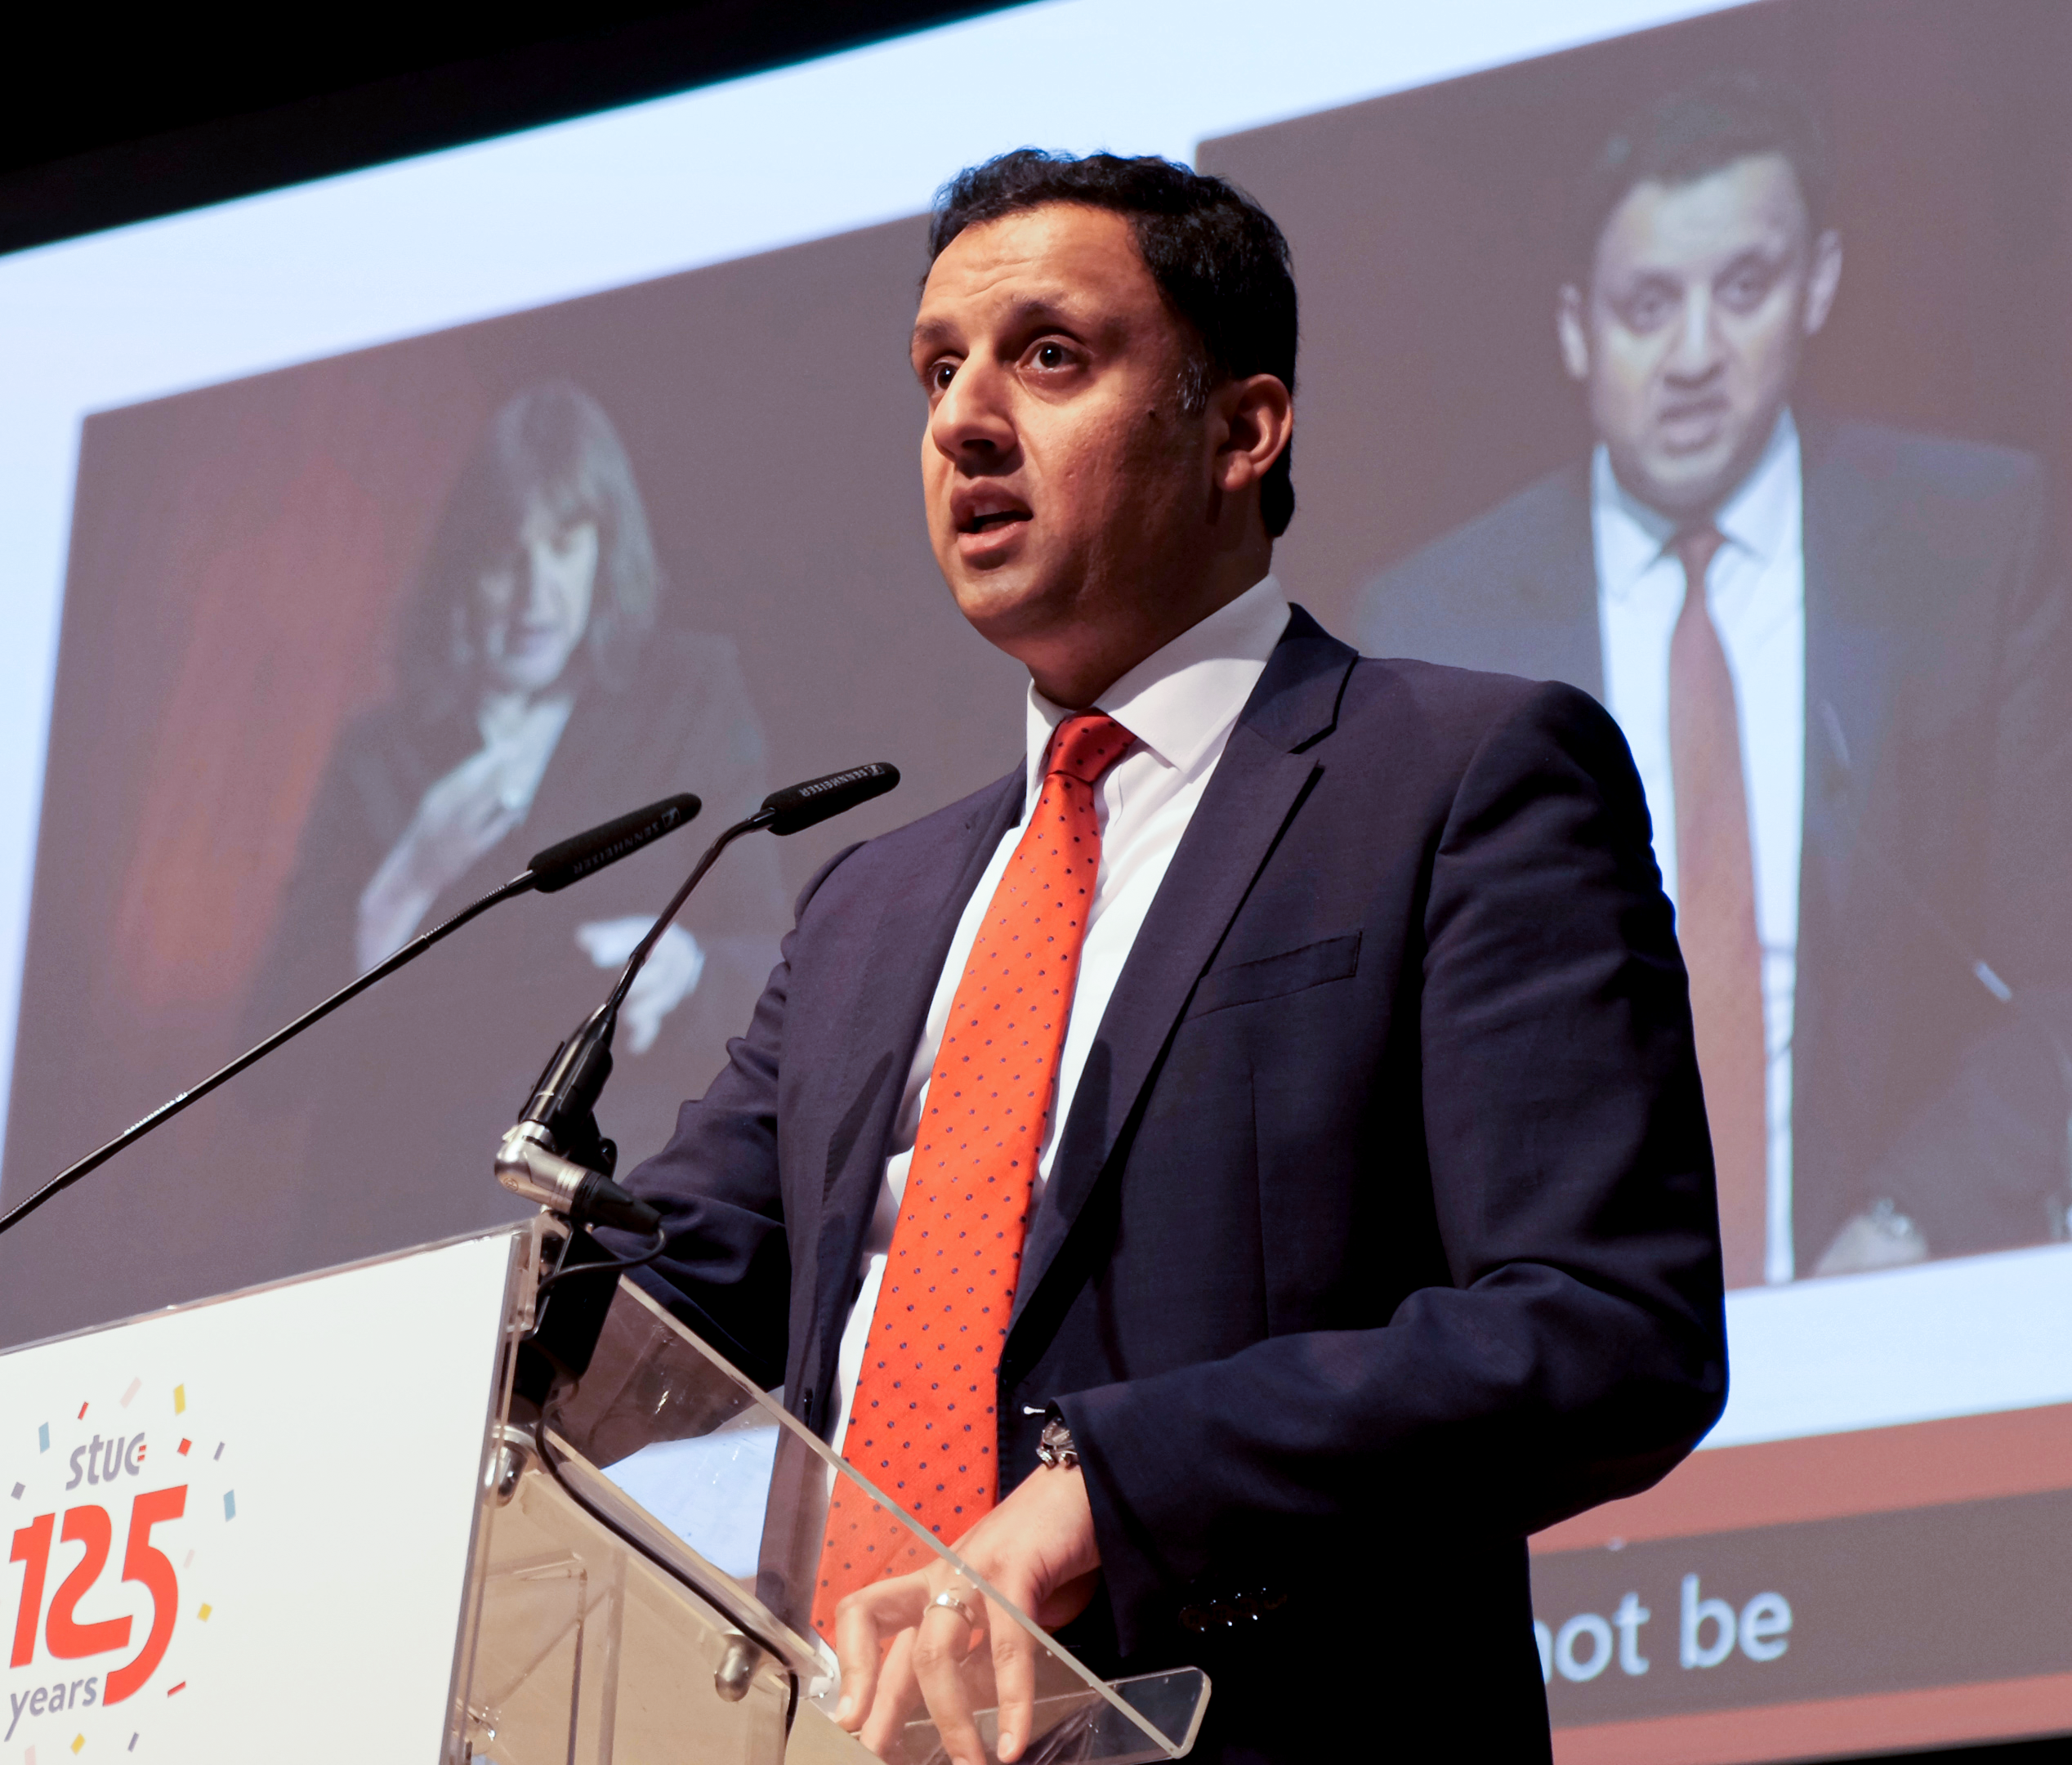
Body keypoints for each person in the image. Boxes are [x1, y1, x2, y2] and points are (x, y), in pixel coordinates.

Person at [610, 151, 1726, 1763]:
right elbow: (662, 1293)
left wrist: (1110, 1498)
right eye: (939, 369)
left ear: (1244, 428)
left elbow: (1605, 1328)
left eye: (1047, 356)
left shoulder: (1462, 777)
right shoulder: (870, 904)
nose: (964, 421)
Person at [1356, 73, 2071, 1283]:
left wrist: (1910, 1226)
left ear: (1818, 286)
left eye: (1743, 291)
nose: (1695, 355)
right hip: (1574, 1351)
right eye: (1648, 306)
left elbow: (2050, 970)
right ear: (1578, 327)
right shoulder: (1435, 622)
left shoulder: (1970, 541)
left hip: (1908, 1277)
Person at [245, 382, 784, 1265]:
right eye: (508, 552)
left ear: (605, 549)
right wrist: (407, 879)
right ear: (464, 565)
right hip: (390, 1228)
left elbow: (770, 956)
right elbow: (264, 1071)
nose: (537, 591)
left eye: (566, 543)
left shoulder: (684, 697)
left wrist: (687, 976)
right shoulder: (383, 753)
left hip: (601, 1220)